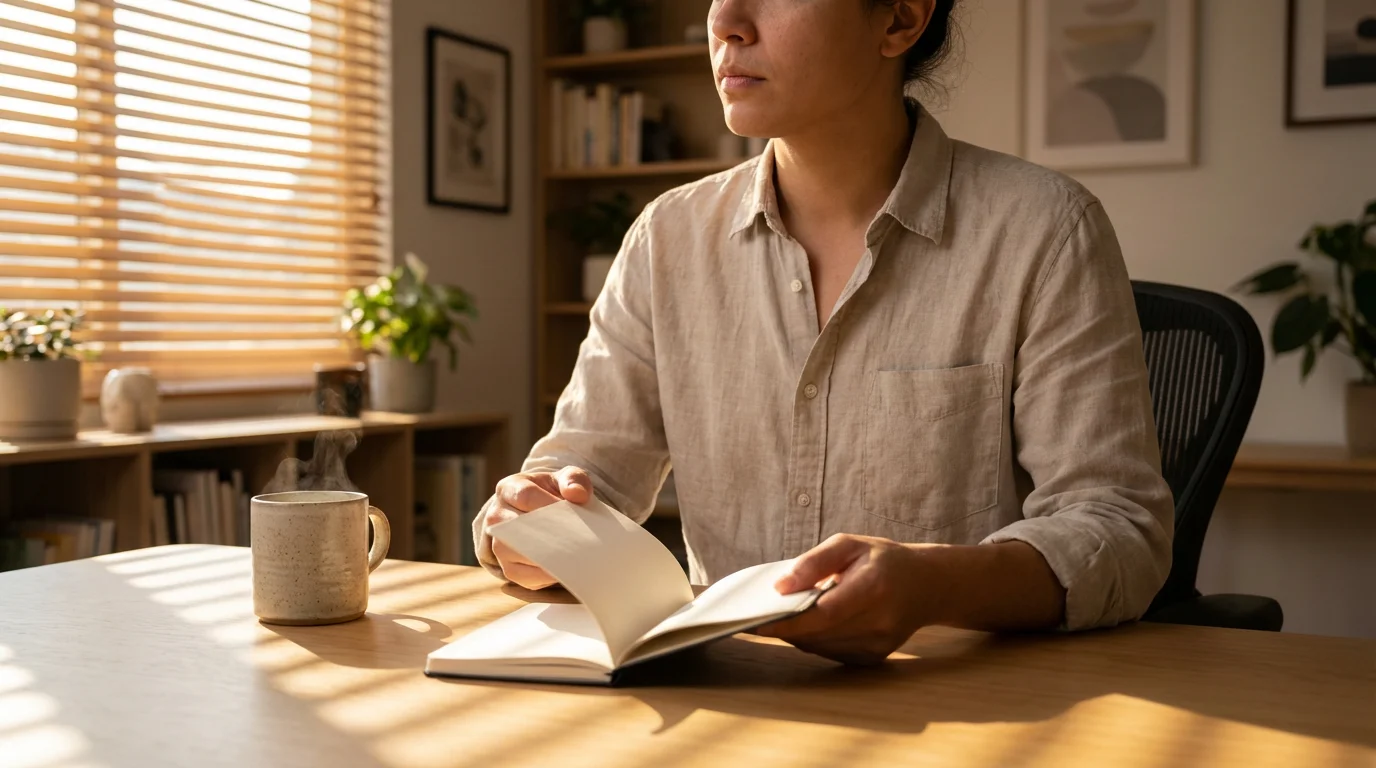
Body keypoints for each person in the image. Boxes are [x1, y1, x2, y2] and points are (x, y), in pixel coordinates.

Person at [475, 0, 1173, 665]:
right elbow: (585, 473)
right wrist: (533, 524)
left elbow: (1118, 529)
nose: (725, 21)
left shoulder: (1045, 230)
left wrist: (936, 587)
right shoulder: (667, 238)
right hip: (728, 693)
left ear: (899, 17)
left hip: (960, 706)